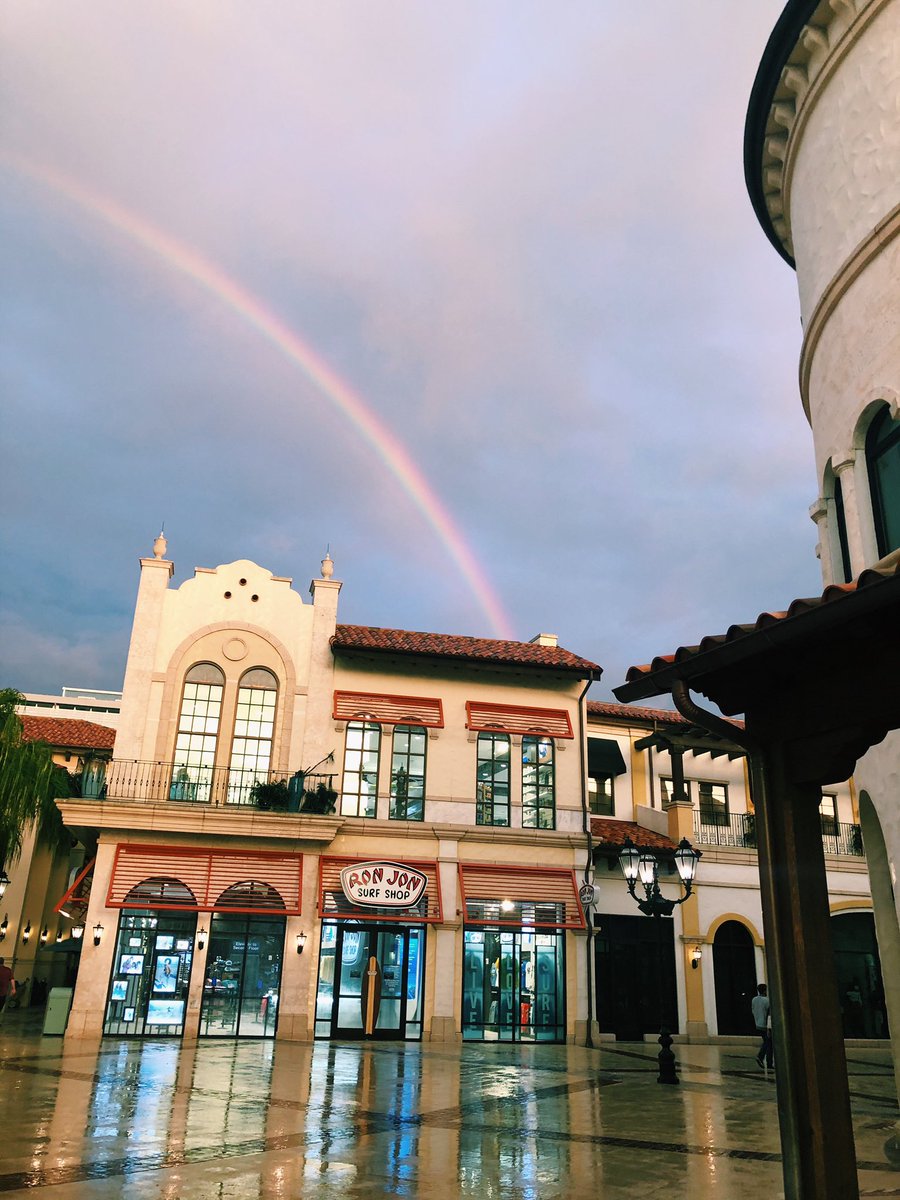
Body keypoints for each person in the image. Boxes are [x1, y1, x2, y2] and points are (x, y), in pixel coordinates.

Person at [751, 982, 774, 1068]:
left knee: (767, 1042)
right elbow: (769, 1015)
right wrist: (769, 1027)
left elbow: (753, 1011)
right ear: (765, 991)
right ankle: (762, 1057)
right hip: (765, 1026)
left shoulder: (754, 1000)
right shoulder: (767, 1001)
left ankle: (768, 1062)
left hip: (758, 1025)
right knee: (769, 1043)